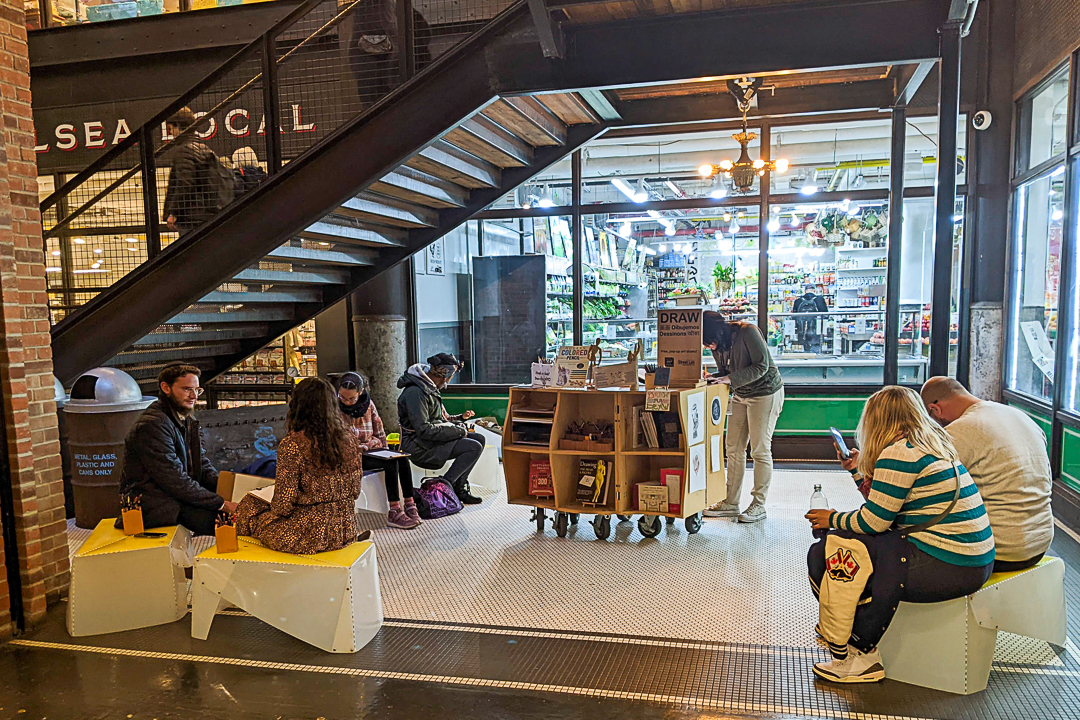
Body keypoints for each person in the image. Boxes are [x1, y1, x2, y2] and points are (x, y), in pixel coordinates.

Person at [806, 386, 995, 683]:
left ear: (877, 420)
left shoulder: (900, 453)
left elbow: (875, 522)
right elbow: (885, 508)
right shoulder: (932, 443)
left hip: (949, 564)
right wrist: (857, 472)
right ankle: (845, 632)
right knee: (852, 546)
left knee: (828, 551)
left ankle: (859, 652)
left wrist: (831, 519)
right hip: (972, 559)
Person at [920, 376, 1053, 572]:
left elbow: (925, 481)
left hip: (1000, 551)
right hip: (1040, 542)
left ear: (935, 409)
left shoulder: (960, 430)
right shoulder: (1019, 415)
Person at [235, 377, 364, 554]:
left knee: (248, 509)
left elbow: (283, 504)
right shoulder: (349, 439)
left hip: (309, 535)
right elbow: (356, 491)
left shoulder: (293, 444)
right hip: (345, 529)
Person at [119, 365, 235, 535]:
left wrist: (228, 488)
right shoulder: (152, 425)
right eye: (187, 389)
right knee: (228, 522)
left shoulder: (185, 418)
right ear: (166, 388)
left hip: (176, 497)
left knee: (241, 514)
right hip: (156, 505)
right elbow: (174, 480)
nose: (194, 396)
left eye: (197, 390)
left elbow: (201, 464)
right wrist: (222, 503)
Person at [701, 310, 785, 523]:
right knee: (734, 448)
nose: (708, 347)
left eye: (709, 342)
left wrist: (728, 378)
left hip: (766, 393)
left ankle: (759, 504)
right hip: (741, 394)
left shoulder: (748, 332)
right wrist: (715, 377)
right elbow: (726, 371)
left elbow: (761, 366)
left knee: (760, 449)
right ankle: (731, 502)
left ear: (718, 332)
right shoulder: (717, 344)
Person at [397, 353, 484, 504]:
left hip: (427, 439)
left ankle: (459, 487)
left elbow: (440, 420)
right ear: (446, 375)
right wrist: (459, 431)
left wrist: (459, 423)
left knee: (479, 439)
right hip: (417, 444)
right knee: (473, 447)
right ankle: (444, 487)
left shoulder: (428, 386)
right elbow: (424, 429)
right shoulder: (416, 392)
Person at [337, 371, 420, 529]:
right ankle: (394, 510)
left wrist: (386, 450)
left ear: (360, 393)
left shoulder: (368, 404)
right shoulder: (334, 408)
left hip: (369, 449)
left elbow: (379, 431)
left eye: (351, 398)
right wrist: (369, 444)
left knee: (401, 459)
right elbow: (343, 442)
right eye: (343, 398)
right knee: (390, 465)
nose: (347, 402)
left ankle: (410, 504)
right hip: (350, 455)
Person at [162, 107, 220, 237]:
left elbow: (185, 184)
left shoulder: (184, 151)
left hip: (191, 217)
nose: (171, 133)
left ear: (177, 126)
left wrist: (173, 212)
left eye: (170, 129)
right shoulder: (203, 148)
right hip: (206, 213)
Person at [793, 283, 828, 353]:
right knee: (815, 351)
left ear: (805, 291)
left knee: (803, 352)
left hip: (802, 332)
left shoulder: (798, 301)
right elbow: (826, 316)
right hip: (816, 332)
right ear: (814, 290)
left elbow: (794, 317)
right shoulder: (820, 300)